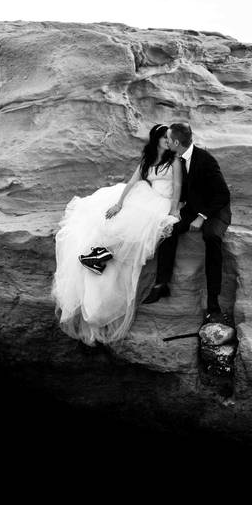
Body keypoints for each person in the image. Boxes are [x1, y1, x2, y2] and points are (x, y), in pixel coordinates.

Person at [51, 124, 182, 345]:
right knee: (112, 219)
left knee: (136, 229)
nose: (168, 141)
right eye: (164, 138)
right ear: (156, 140)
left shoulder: (175, 161)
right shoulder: (148, 159)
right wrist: (119, 204)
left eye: (169, 138)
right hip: (146, 196)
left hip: (162, 202)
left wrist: (174, 210)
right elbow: (133, 182)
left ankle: (101, 255)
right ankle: (97, 254)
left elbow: (177, 186)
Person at [143, 122, 231, 324]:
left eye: (169, 138)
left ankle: (213, 304)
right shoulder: (179, 158)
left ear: (175, 142)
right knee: (169, 229)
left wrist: (202, 217)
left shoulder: (205, 159)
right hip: (193, 208)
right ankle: (162, 284)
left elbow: (222, 194)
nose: (166, 141)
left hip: (215, 210)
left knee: (211, 237)